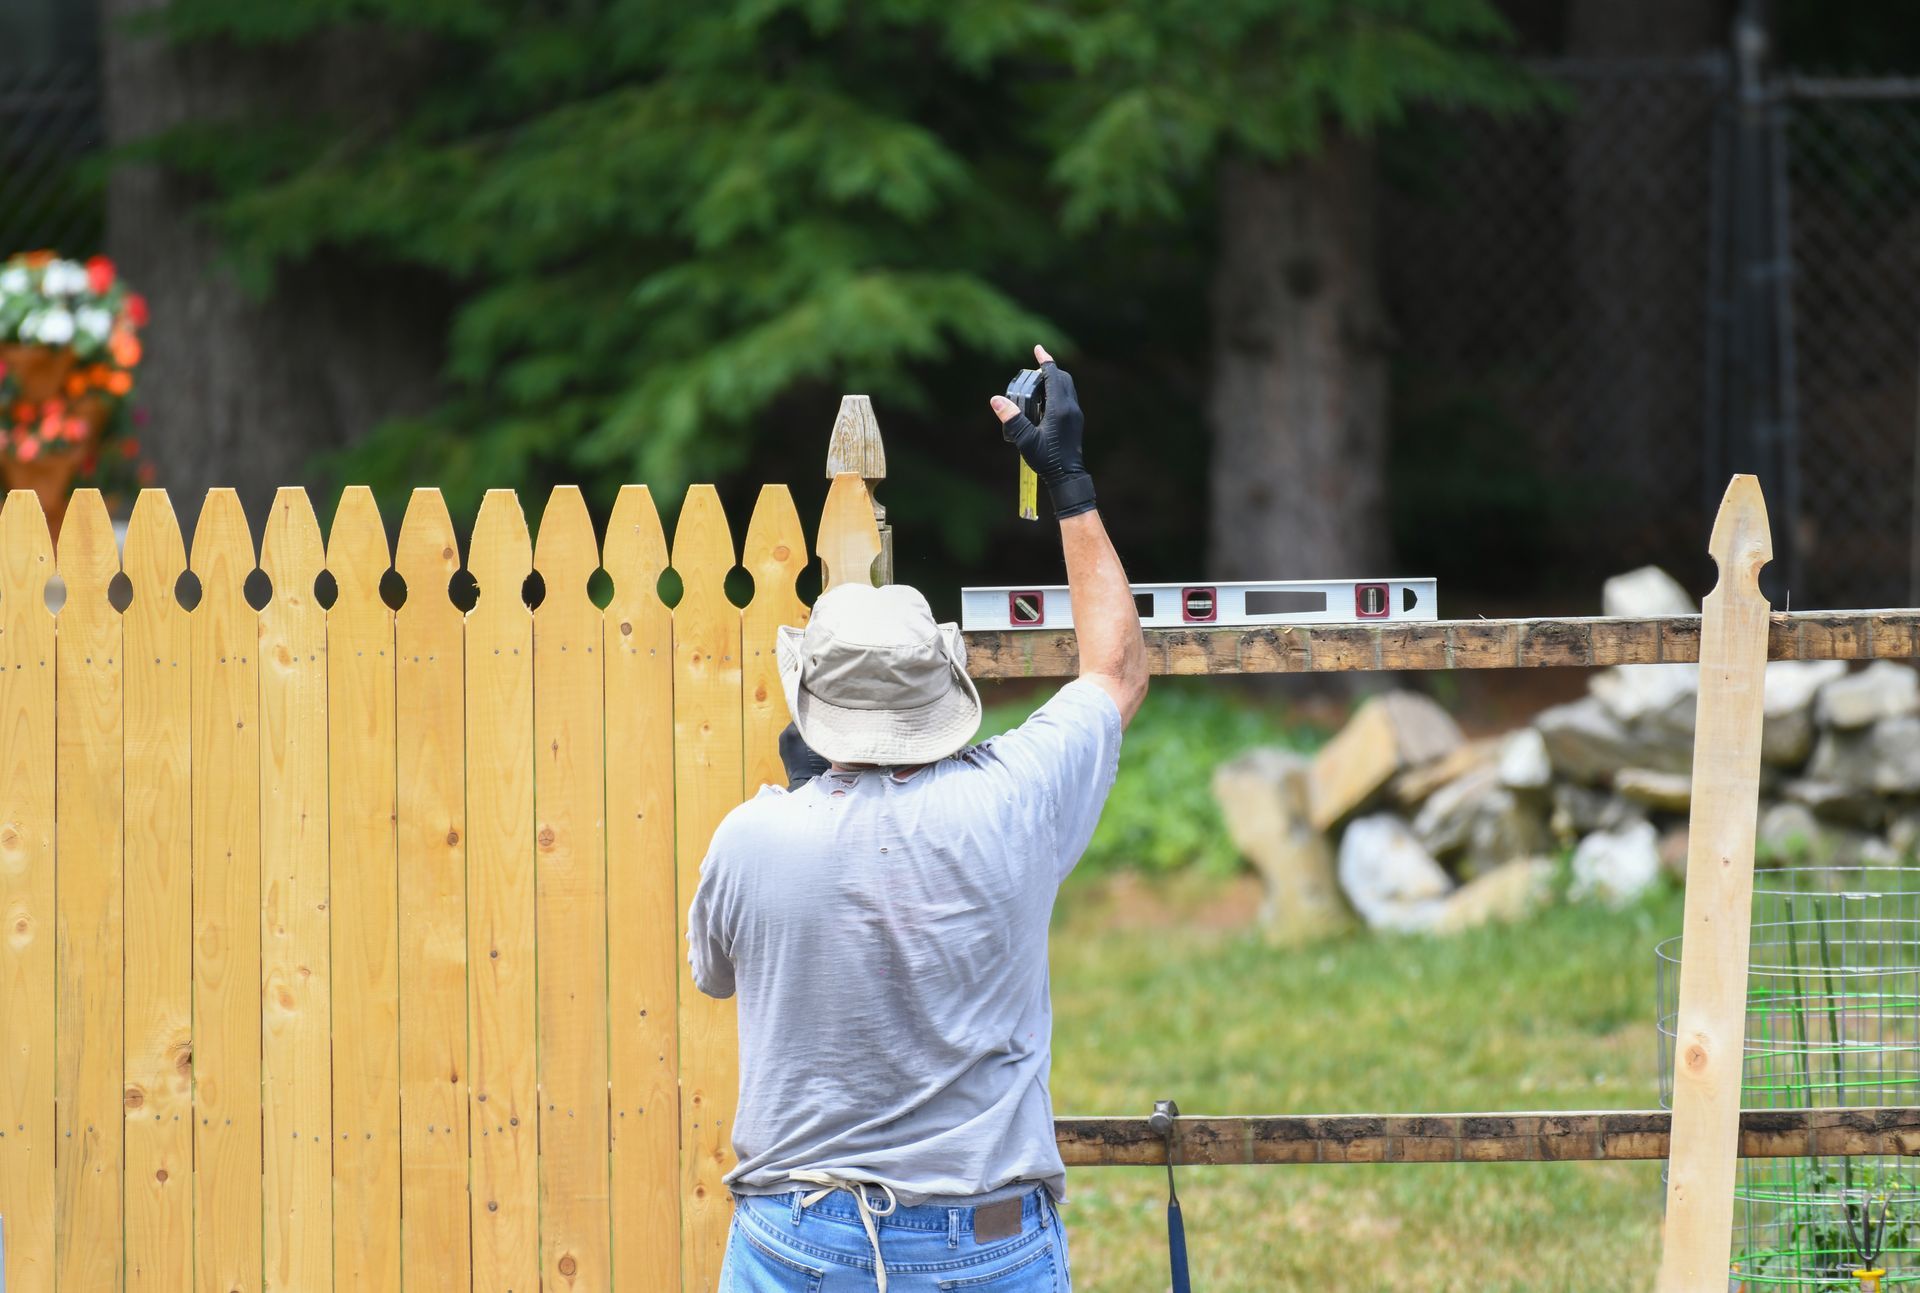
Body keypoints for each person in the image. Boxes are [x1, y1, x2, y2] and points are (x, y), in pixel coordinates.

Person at [688, 345, 1148, 1292]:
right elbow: (1116, 668)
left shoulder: (753, 837)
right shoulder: (1018, 798)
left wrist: (809, 800)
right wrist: (1066, 479)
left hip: (797, 1238)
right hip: (988, 1242)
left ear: (810, 709)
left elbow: (714, 975)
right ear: (944, 690)